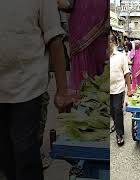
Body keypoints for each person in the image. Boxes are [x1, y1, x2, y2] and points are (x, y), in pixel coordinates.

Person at [0, 0, 71, 179]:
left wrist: (62, 90)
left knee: (24, 151)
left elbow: (55, 40)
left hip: (27, 87)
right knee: (4, 154)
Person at [68, 0, 107, 91]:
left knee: (100, 63)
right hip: (81, 26)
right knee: (83, 60)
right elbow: (66, 5)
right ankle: (84, 94)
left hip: (99, 26)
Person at [110, 35, 133, 146]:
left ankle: (119, 134)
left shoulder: (121, 56)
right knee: (111, 110)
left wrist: (129, 89)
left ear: (113, 43)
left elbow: (127, 73)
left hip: (118, 88)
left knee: (117, 109)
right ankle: (115, 124)